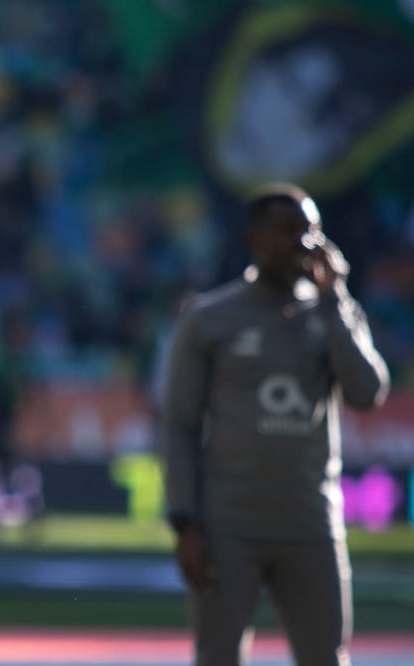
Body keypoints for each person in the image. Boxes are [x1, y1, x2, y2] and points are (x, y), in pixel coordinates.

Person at [161, 182, 390, 666]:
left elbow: (368, 393)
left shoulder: (332, 313)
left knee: (325, 657)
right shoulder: (211, 317)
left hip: (311, 522)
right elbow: (179, 424)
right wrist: (185, 522)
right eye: (288, 231)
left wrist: (335, 299)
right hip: (228, 525)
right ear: (254, 237)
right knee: (218, 657)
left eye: (311, 231)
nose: (303, 243)